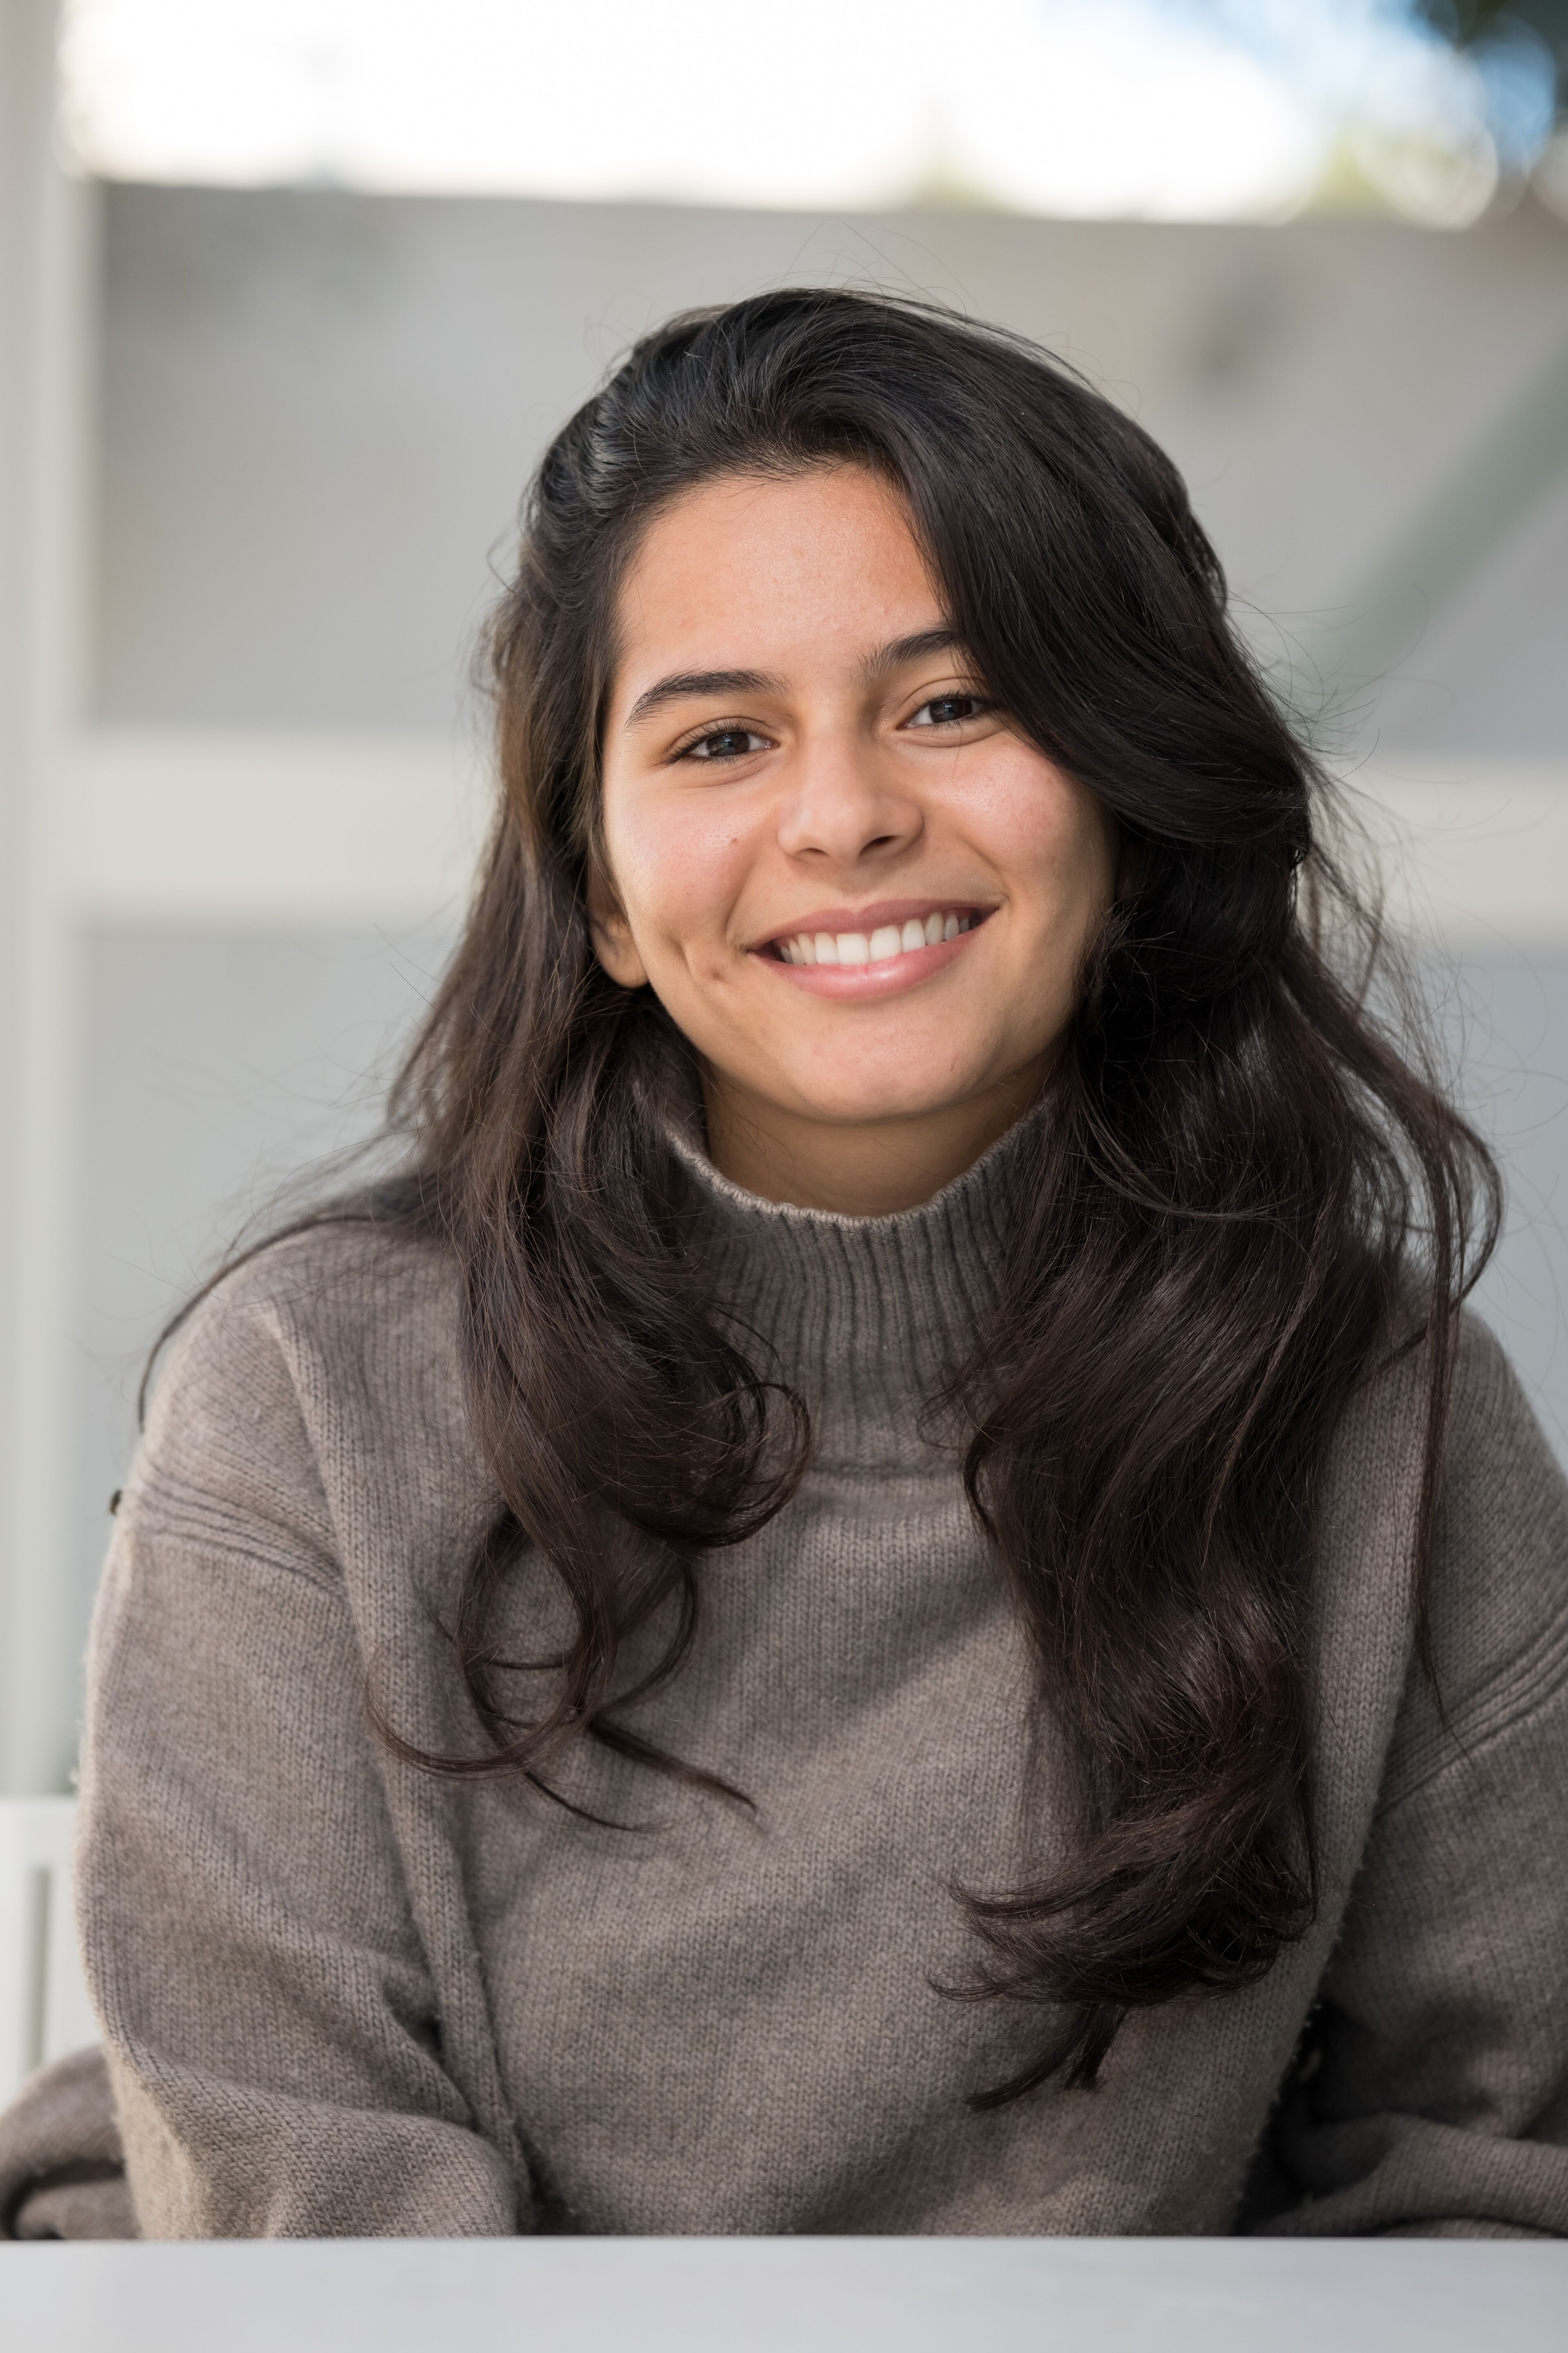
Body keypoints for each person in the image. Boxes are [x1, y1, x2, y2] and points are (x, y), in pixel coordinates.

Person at [66, 290, 1568, 2237]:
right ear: (599, 885)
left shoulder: (1387, 1410)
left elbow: (1495, 2178)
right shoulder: (308, 1394)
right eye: (720, 737)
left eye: (953, 705)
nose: (847, 813)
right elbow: (316, 2222)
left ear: (1122, 793)